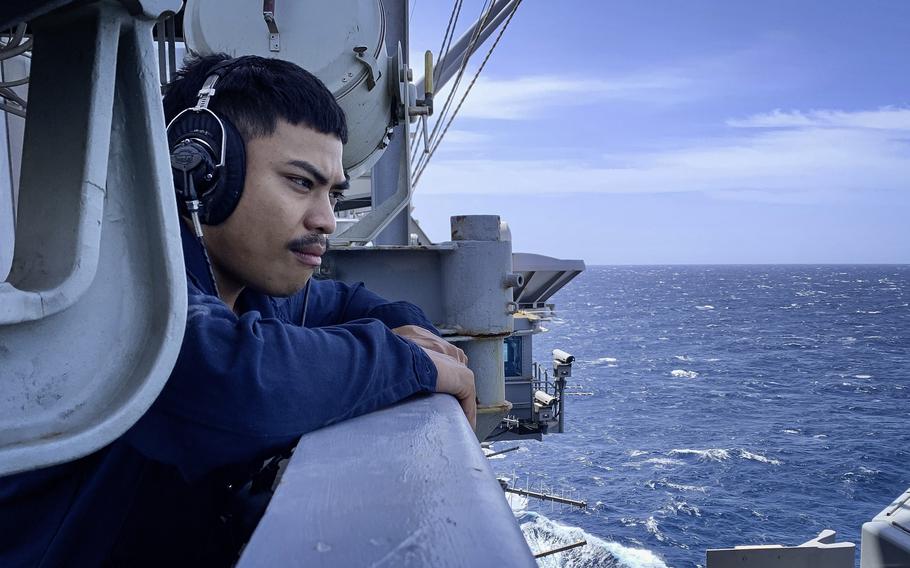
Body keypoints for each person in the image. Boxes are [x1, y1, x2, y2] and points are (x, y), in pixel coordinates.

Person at [0, 54, 475, 566]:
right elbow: (229, 379)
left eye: (332, 194)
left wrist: (422, 345)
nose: (326, 220)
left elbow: (358, 303)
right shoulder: (115, 295)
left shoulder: (253, 292)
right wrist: (410, 362)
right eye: (300, 182)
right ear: (202, 170)